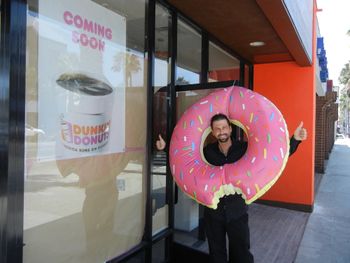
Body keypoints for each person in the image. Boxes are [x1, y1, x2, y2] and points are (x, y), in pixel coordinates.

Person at [156, 113, 307, 263]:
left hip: (237, 211)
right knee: (216, 254)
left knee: (241, 254)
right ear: (213, 132)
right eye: (217, 129)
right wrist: (165, 148)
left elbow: (271, 157)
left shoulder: (244, 149)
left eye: (224, 127)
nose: (221, 131)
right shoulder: (207, 152)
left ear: (230, 129)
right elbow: (185, 160)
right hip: (213, 212)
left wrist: (295, 140)